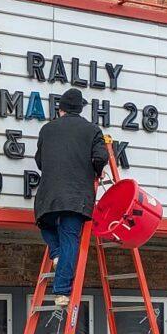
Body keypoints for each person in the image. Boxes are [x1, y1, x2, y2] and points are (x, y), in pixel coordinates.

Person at [34, 88, 108, 307]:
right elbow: (101, 156)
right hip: (77, 196)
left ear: (60, 109)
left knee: (44, 223)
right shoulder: (92, 130)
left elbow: (40, 161)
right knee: (70, 239)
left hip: (49, 194)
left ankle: (56, 254)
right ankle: (62, 292)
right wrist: (97, 169)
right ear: (80, 109)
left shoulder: (47, 130)